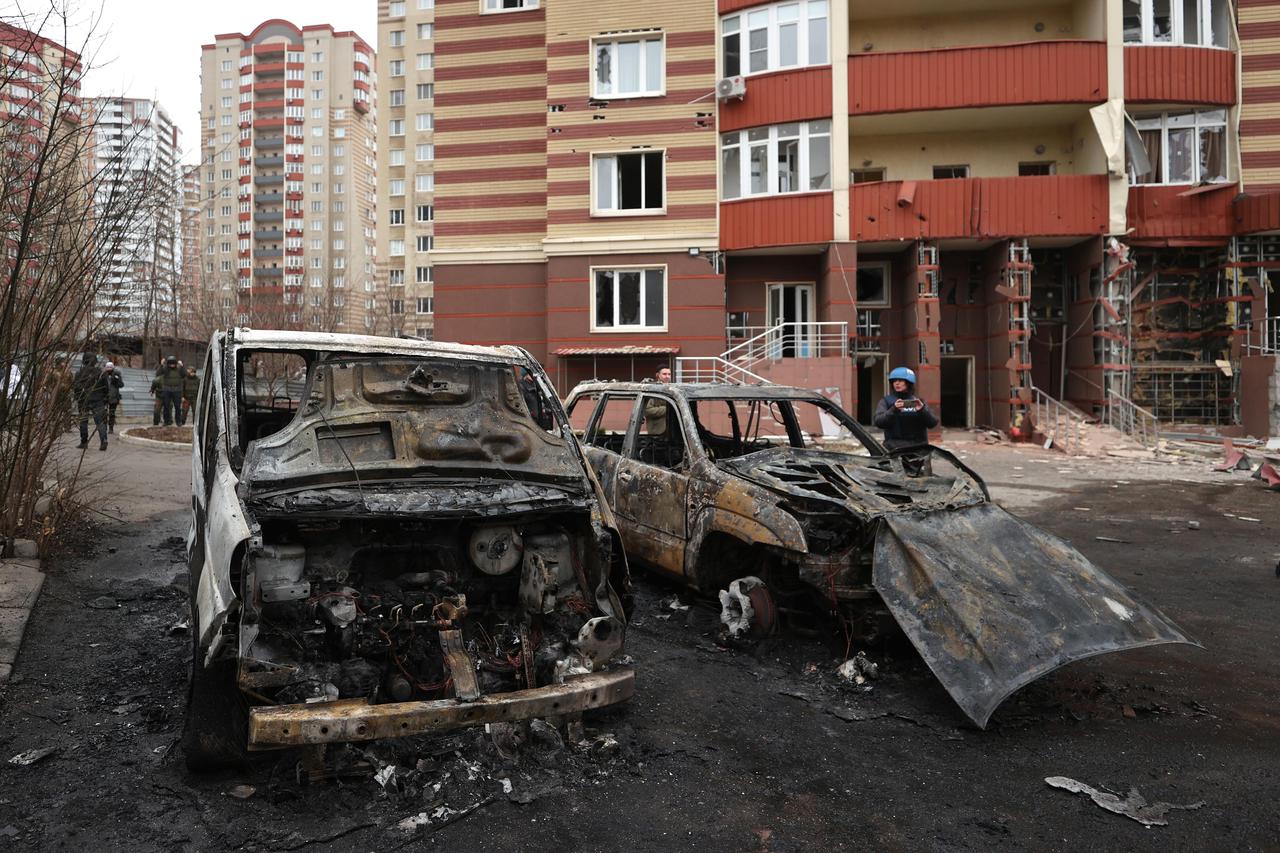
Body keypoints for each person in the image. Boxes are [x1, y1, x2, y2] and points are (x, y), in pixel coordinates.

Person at [873, 366, 938, 450]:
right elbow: (879, 422)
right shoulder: (886, 401)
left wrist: (922, 410)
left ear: (908, 383)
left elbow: (932, 423)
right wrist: (893, 410)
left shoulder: (918, 402)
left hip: (918, 449)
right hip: (894, 450)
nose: (897, 383)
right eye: (894, 381)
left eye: (900, 380)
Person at [74, 353, 110, 451]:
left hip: (84, 400)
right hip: (98, 400)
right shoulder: (101, 373)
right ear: (95, 361)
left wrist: (78, 398)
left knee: (83, 421)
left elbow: (76, 388)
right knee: (100, 422)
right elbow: (106, 388)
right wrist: (105, 398)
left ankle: (84, 442)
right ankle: (104, 440)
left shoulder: (79, 373)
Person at [643, 366, 673, 436]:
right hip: (657, 432)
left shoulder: (673, 389)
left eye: (669, 374)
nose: (667, 376)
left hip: (672, 432)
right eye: (664, 374)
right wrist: (669, 408)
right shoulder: (652, 389)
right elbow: (647, 410)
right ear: (657, 375)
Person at [156, 355, 184, 427]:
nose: (172, 365)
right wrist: (161, 365)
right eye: (170, 363)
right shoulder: (165, 369)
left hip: (177, 390)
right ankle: (166, 421)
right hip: (167, 390)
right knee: (166, 406)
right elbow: (158, 374)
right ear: (168, 363)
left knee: (177, 407)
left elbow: (185, 375)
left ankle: (178, 421)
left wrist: (182, 366)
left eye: (173, 363)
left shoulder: (179, 369)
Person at [103, 361, 124, 433]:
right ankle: (104, 427)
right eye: (107, 369)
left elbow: (121, 385)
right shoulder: (103, 375)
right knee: (104, 413)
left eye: (110, 369)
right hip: (104, 397)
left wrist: (116, 380)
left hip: (114, 397)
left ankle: (111, 428)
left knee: (112, 413)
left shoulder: (116, 374)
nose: (109, 370)